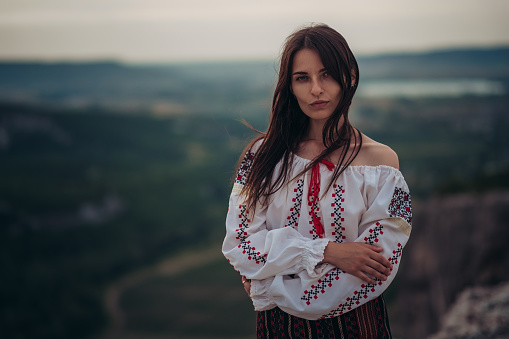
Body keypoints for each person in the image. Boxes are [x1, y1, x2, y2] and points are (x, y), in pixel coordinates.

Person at [222, 23, 412, 339]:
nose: (316, 89)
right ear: (290, 86)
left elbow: (376, 268)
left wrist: (268, 284)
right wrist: (329, 252)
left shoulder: (382, 164)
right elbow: (240, 245)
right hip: (278, 329)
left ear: (350, 76)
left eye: (326, 74)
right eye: (302, 78)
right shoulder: (261, 157)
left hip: (359, 326)